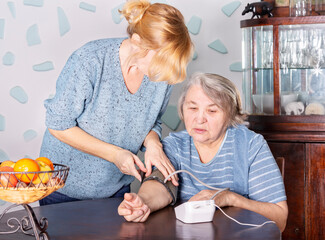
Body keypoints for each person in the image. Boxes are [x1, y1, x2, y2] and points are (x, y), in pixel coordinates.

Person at [39, 0, 193, 205]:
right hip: (62, 188)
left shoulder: (163, 74)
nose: (165, 72)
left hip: (116, 188)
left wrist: (153, 143)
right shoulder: (90, 60)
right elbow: (57, 125)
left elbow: (151, 120)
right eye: (163, 61)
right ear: (138, 42)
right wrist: (115, 154)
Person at [118, 73, 288, 232]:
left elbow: (280, 218)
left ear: (230, 115)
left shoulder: (250, 145)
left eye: (212, 111)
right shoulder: (175, 145)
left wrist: (230, 198)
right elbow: (158, 186)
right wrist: (143, 203)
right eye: (192, 108)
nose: (199, 119)